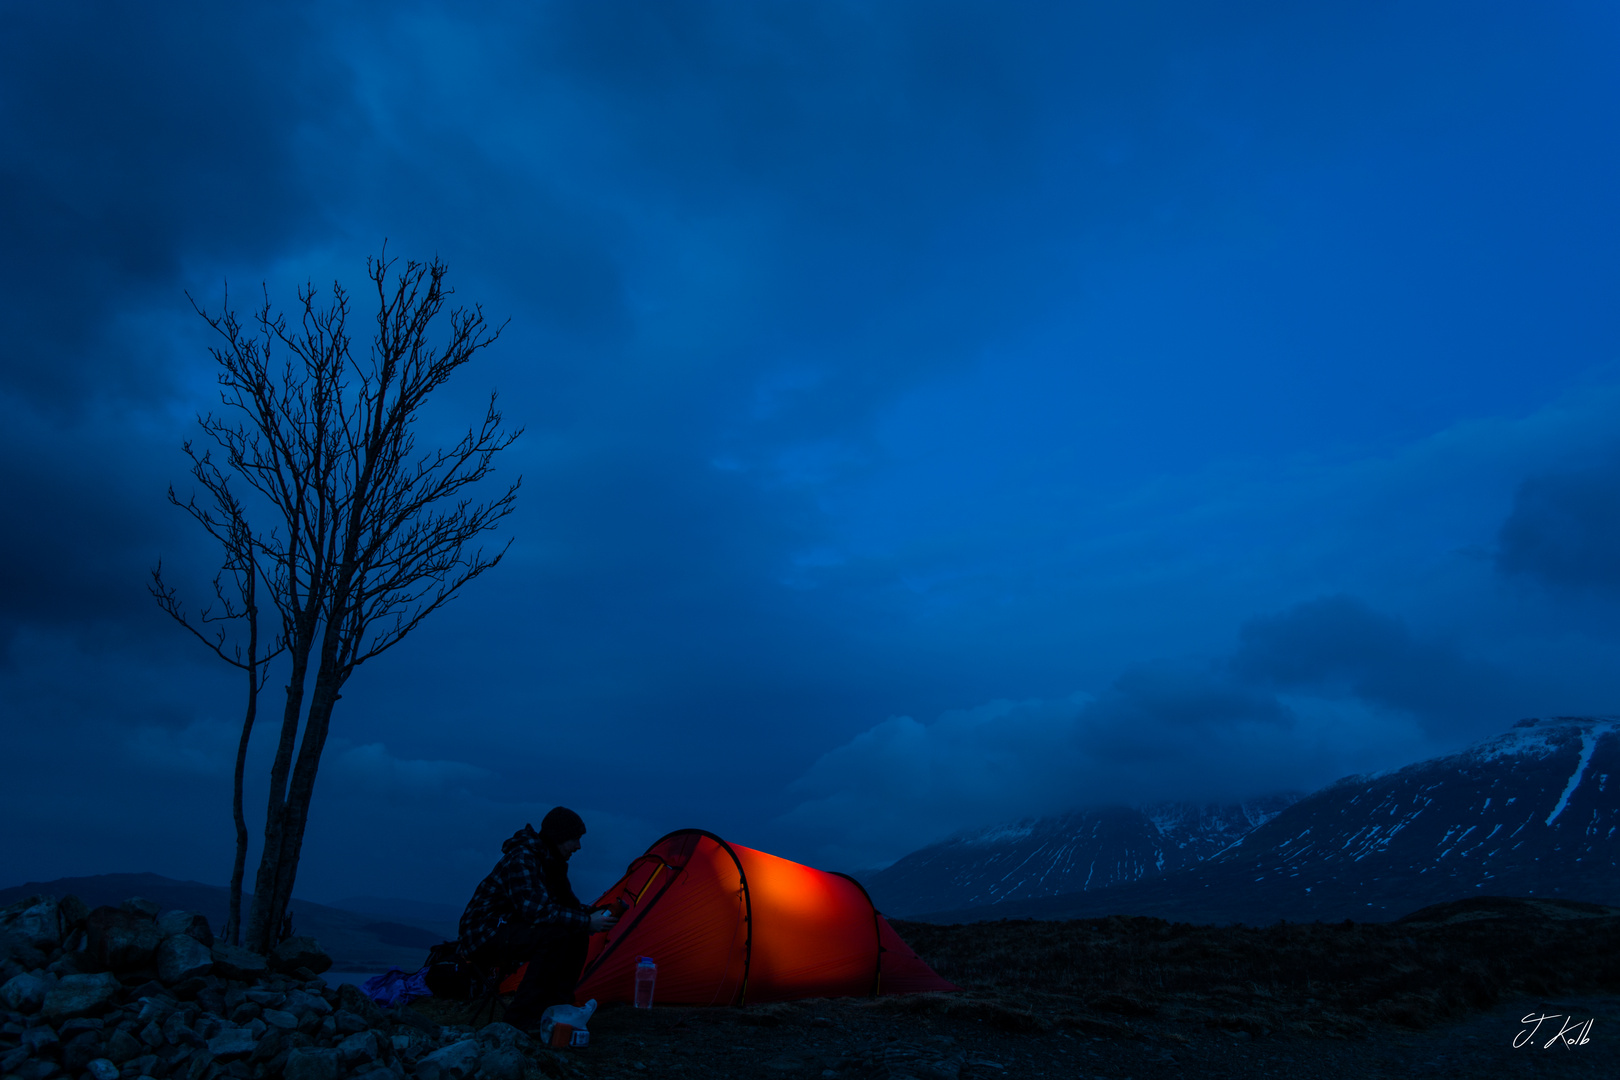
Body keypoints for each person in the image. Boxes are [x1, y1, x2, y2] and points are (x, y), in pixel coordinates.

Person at [459, 806, 618, 1027]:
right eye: (574, 839)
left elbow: (562, 906)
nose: (578, 846)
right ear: (559, 837)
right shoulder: (523, 858)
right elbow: (538, 912)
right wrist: (587, 921)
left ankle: (556, 1010)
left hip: (509, 929)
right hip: (484, 934)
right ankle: (520, 1020)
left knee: (575, 933)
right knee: (554, 937)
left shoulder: (550, 863)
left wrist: (591, 914)